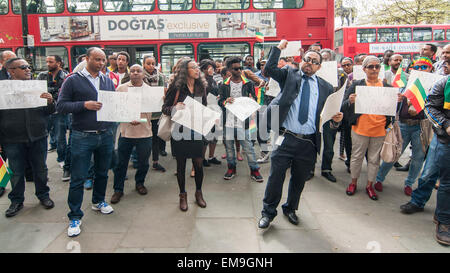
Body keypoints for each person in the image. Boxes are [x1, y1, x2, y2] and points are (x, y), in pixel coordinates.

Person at [258, 40, 343, 229]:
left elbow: (326, 116)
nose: (309, 63)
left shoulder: (326, 87)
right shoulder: (290, 74)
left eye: (314, 61)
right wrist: (278, 49)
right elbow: (270, 69)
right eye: (307, 59)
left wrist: (336, 120)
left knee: (299, 180)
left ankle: (290, 209)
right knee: (275, 177)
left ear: (319, 67)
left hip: (308, 144)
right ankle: (268, 213)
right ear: (302, 59)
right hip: (285, 138)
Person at [57, 47, 116, 237]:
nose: (101, 63)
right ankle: (75, 216)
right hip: (82, 135)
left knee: (102, 173)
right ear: (87, 58)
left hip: (105, 134)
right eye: (97, 59)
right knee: (78, 177)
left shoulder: (107, 80)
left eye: (103, 60)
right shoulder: (73, 80)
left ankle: (98, 201)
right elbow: (61, 106)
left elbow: (114, 105)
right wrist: (84, 105)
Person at [0, 58, 55, 217]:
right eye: (23, 67)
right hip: (12, 139)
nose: (28, 70)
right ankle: (16, 201)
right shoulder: (2, 90)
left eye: (29, 67)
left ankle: (43, 195)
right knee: (16, 172)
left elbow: (49, 111)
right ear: (11, 71)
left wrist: (50, 101)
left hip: (37, 136)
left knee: (40, 169)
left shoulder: (36, 87)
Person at [342, 56, 400, 201]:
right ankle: (353, 182)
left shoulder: (387, 88)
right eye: (371, 67)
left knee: (374, 160)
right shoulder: (356, 85)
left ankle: (370, 185)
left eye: (377, 66)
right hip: (359, 129)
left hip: (379, 130)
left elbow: (392, 110)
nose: (374, 69)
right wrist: (350, 101)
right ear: (364, 69)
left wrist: (398, 101)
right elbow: (343, 105)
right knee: (356, 157)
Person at [375, 57, 432, 196]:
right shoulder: (404, 83)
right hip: (403, 125)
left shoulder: (433, 86)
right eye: (417, 67)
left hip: (421, 126)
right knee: (394, 154)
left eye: (424, 67)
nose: (420, 70)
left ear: (431, 69)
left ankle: (409, 183)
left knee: (418, 158)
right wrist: (396, 99)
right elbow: (389, 103)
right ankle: (379, 179)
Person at [162, 58, 207, 212]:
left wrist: (211, 116)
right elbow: (165, 108)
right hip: (180, 130)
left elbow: (205, 107)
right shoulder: (176, 87)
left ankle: (199, 192)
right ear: (184, 70)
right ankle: (183, 195)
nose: (197, 70)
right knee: (181, 165)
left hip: (197, 129)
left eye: (197, 67)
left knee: (199, 164)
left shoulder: (201, 86)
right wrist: (175, 108)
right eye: (193, 67)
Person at [111, 65, 153, 204]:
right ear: (130, 73)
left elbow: (153, 111)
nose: (135, 73)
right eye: (133, 71)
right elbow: (115, 109)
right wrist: (127, 118)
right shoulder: (121, 89)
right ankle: (118, 189)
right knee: (121, 163)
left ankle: (140, 183)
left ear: (143, 74)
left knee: (143, 162)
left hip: (145, 132)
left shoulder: (150, 91)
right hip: (126, 133)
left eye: (138, 71)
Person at [218, 57, 263, 183]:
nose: (239, 70)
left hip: (243, 121)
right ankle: (231, 168)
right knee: (229, 148)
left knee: (248, 147)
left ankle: (254, 170)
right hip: (229, 121)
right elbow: (220, 101)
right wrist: (225, 101)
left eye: (240, 68)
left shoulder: (248, 83)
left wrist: (252, 100)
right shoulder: (223, 84)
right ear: (229, 70)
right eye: (236, 68)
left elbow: (253, 99)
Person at [424, 75, 450, 246]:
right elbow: (430, 108)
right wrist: (446, 125)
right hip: (447, 142)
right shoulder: (444, 83)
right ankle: (444, 222)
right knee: (447, 184)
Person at [37, 55, 68, 167]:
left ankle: (62, 159)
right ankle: (41, 163)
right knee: (42, 138)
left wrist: (50, 94)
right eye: (47, 62)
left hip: (59, 112)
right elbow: (38, 91)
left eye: (51, 62)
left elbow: (63, 95)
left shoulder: (65, 77)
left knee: (61, 137)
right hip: (45, 111)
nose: (48, 64)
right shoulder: (42, 75)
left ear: (59, 63)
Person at [142, 55, 167, 172]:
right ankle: (142, 162)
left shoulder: (161, 77)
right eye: (148, 63)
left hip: (157, 114)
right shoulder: (139, 76)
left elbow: (165, 91)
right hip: (144, 115)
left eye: (153, 63)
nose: (151, 66)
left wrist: (164, 95)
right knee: (144, 139)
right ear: (144, 64)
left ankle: (155, 162)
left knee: (156, 138)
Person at [0, 50, 17, 198]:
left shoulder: (24, 77)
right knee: (3, 157)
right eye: (10, 59)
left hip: (19, 125)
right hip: (4, 123)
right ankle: (1, 184)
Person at [200, 59, 221, 167]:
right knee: (206, 136)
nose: (213, 70)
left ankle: (211, 156)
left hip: (215, 109)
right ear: (204, 69)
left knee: (215, 135)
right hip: (205, 111)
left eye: (213, 68)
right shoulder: (200, 80)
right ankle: (202, 158)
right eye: (210, 68)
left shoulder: (213, 80)